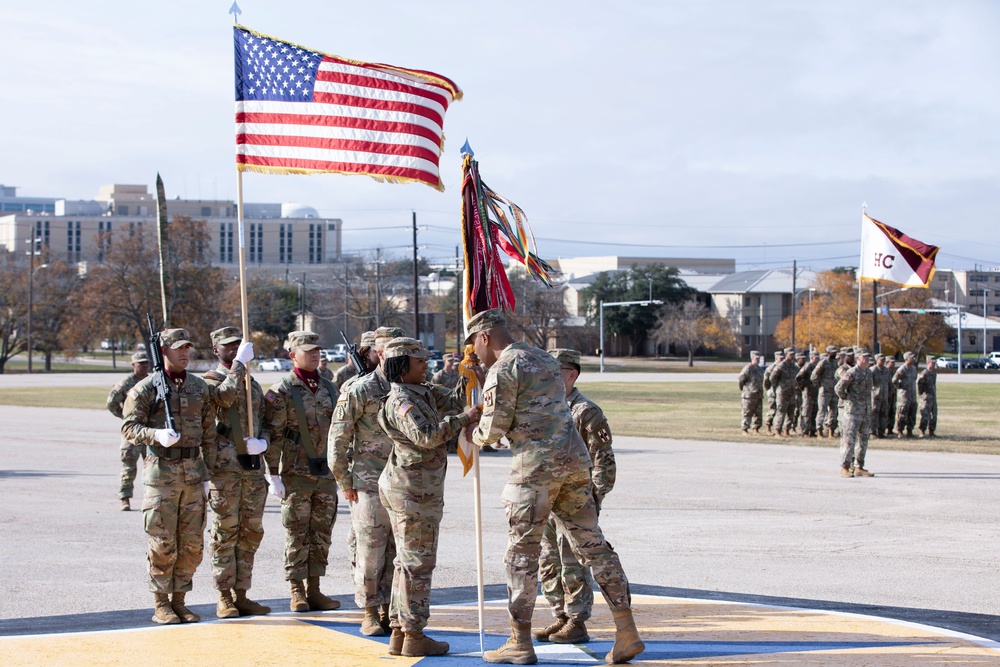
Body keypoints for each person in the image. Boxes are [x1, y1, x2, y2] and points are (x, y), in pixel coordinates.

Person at [468, 309, 644, 665]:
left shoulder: (504, 368)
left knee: (521, 555)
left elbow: (493, 429)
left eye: (474, 344)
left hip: (535, 469)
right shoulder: (544, 358)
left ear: (485, 336)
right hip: (575, 464)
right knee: (594, 547)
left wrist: (470, 428)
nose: (474, 352)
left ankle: (519, 641)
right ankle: (627, 632)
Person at [122, 328, 249, 625]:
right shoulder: (146, 388)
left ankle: (181, 601)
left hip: (193, 474)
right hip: (161, 476)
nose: (184, 353)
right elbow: (129, 428)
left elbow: (208, 432)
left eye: (187, 348)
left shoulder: (197, 387)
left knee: (192, 545)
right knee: (163, 543)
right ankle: (161, 604)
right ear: (163, 352)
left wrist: (210, 470)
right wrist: (155, 435)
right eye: (178, 348)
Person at [377, 337, 480, 657]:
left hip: (418, 490)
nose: (426, 366)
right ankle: (414, 633)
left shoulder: (420, 391)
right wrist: (467, 418)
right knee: (417, 564)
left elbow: (451, 399)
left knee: (405, 563)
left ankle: (399, 631)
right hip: (412, 492)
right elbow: (427, 436)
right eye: (420, 362)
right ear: (401, 366)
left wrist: (468, 374)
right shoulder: (401, 401)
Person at [535, 348, 617, 645]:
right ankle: (560, 615)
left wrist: (592, 500)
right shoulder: (545, 407)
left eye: (554, 371)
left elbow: (604, 462)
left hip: (575, 502)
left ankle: (577, 621)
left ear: (571, 374)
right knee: (548, 560)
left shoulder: (586, 412)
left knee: (573, 562)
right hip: (546, 498)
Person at [328, 326, 404, 636]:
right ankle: (370, 610)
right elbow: (338, 438)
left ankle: (392, 608)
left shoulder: (409, 387)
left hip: (402, 481)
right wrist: (344, 479)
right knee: (370, 549)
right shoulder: (358, 389)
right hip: (368, 481)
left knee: (398, 550)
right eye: (384, 350)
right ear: (378, 353)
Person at [262, 330, 341, 613]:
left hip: (326, 475)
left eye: (317, 350)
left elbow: (340, 432)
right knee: (297, 533)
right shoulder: (283, 389)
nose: (315, 354)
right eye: (308, 351)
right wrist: (272, 474)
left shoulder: (330, 388)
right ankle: (296, 590)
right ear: (292, 355)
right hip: (296, 473)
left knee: (321, 533)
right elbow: (274, 434)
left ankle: (315, 589)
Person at [203, 326, 270, 618]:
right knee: (225, 533)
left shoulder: (252, 383)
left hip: (252, 469)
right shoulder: (211, 380)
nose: (233, 350)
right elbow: (223, 398)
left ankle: (242, 593)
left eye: (237, 347)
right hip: (225, 471)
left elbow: (264, 419)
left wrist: (263, 442)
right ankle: (224, 595)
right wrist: (239, 365)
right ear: (216, 351)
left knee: (250, 532)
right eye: (227, 347)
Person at [107, 350, 149, 511]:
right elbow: (111, 402)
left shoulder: (153, 380)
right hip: (132, 431)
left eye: (146, 363)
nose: (144, 366)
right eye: (141, 363)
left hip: (150, 429)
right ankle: (125, 498)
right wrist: (125, 417)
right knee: (128, 465)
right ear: (133, 365)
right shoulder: (126, 383)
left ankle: (149, 498)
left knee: (152, 465)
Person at [835, 348, 874, 478]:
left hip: (865, 412)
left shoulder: (868, 373)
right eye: (864, 357)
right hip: (852, 412)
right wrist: (847, 399)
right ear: (858, 358)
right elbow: (839, 388)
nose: (867, 359)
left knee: (863, 440)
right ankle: (845, 467)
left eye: (868, 357)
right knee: (849, 440)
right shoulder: (851, 373)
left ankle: (859, 467)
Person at [332, 331, 378, 396]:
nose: (381, 353)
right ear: (367, 354)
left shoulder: (390, 377)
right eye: (376, 350)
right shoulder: (352, 385)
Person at [811, 345, 839, 438]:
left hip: (834, 391)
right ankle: (819, 431)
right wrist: (820, 385)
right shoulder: (823, 363)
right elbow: (814, 376)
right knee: (822, 411)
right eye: (833, 352)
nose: (834, 353)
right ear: (828, 353)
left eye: (835, 352)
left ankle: (831, 431)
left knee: (833, 411)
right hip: (824, 391)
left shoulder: (835, 363)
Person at [769, 347, 797, 437]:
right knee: (781, 412)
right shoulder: (781, 366)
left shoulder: (793, 366)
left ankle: (786, 431)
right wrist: (777, 386)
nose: (792, 356)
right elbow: (772, 378)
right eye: (790, 354)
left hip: (792, 392)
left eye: (793, 354)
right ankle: (777, 430)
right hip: (782, 393)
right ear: (786, 355)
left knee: (791, 412)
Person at [737, 351, 764, 434]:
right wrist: (744, 389)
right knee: (747, 412)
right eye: (756, 358)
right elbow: (741, 379)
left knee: (758, 413)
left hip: (758, 394)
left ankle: (756, 428)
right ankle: (745, 429)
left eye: (759, 358)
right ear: (752, 358)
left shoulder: (760, 369)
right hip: (749, 395)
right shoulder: (748, 368)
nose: (758, 360)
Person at [892, 351, 919, 438]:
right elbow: (894, 380)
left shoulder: (913, 369)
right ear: (906, 359)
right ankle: (900, 431)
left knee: (912, 413)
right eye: (911, 357)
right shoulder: (901, 369)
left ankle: (910, 430)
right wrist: (899, 386)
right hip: (904, 396)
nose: (913, 359)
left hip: (912, 395)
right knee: (902, 413)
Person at [796, 350, 819, 438]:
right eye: (816, 357)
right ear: (812, 358)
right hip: (808, 393)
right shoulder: (807, 367)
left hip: (815, 393)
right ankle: (805, 431)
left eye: (818, 357)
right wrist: (802, 387)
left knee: (814, 411)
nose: (817, 359)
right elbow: (798, 377)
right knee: (806, 412)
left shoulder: (817, 367)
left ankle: (812, 431)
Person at [870, 353, 892, 438]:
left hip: (884, 396)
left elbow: (889, 383)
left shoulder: (886, 371)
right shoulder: (872, 370)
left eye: (884, 360)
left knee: (884, 413)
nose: (883, 361)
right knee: (874, 414)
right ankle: (872, 432)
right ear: (876, 360)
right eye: (881, 360)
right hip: (875, 396)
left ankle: (881, 431)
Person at [917, 355, 938, 437]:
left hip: (933, 397)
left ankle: (931, 431)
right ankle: (922, 431)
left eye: (934, 363)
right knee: (925, 415)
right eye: (932, 363)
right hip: (926, 398)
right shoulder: (924, 373)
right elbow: (920, 385)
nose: (933, 365)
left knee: (934, 416)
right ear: (928, 363)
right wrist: (922, 395)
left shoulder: (934, 374)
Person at [763, 350, 782, 434]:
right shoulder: (771, 368)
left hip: (781, 392)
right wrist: (769, 390)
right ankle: (768, 427)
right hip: (773, 393)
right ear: (776, 358)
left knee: (780, 410)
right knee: (772, 410)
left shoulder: (783, 367)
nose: (782, 359)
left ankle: (778, 428)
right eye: (780, 358)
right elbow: (766, 381)